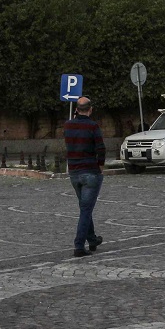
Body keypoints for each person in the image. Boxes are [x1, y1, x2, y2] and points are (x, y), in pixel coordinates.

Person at [63, 96, 106, 257]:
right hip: (90, 171)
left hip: (74, 172)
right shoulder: (93, 126)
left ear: (76, 109)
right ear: (90, 109)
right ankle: (79, 245)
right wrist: (100, 167)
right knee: (86, 209)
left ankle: (92, 239)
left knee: (84, 207)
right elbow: (101, 149)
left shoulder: (68, 125)